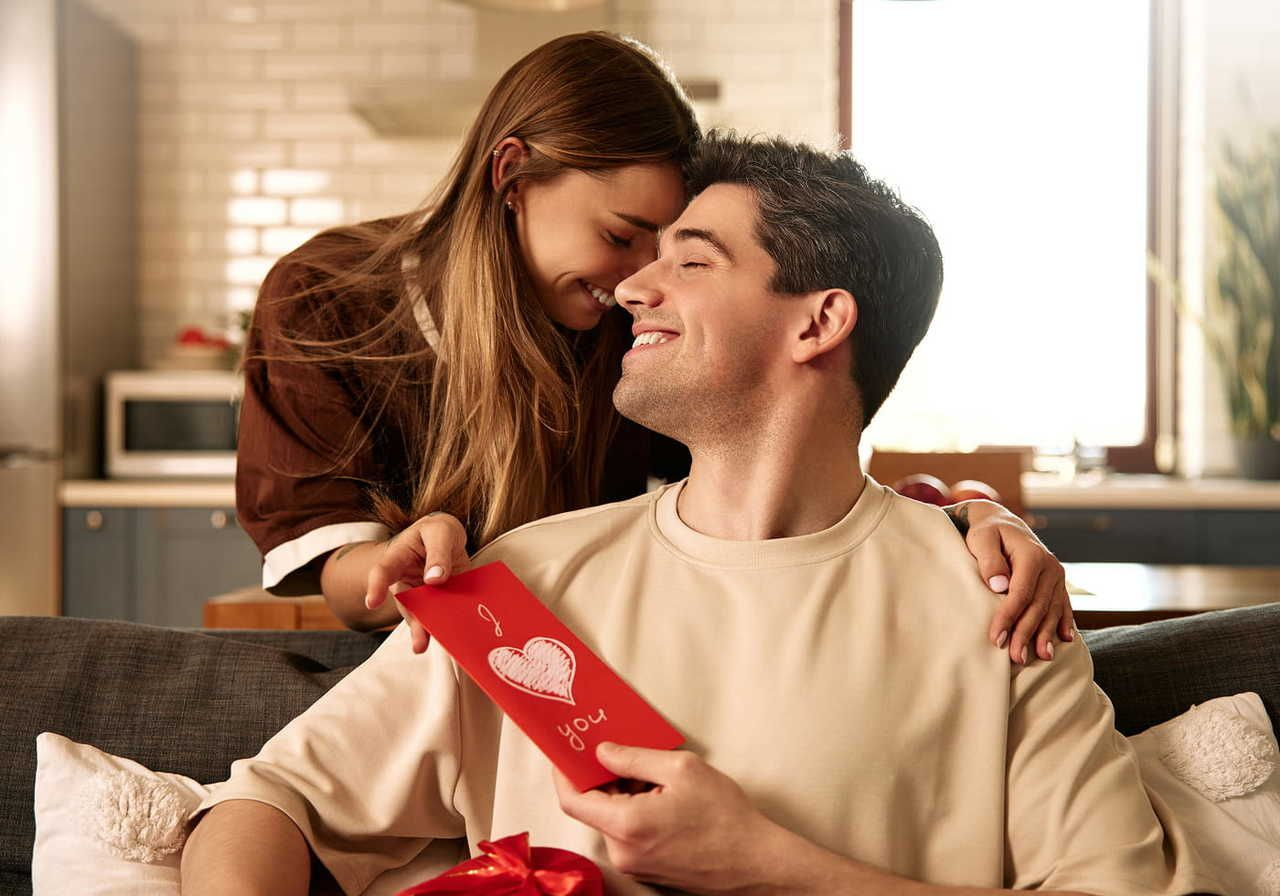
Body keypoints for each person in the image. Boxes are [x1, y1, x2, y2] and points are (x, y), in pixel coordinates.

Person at [183, 133, 1215, 895]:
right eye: (643, 253)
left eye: (689, 259)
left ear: (818, 320)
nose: (633, 286)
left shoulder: (996, 612)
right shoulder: (518, 588)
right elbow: (262, 803)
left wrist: (770, 863)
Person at [238, 31, 1073, 666]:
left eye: (677, 253)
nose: (643, 281)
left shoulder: (625, 330)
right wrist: (393, 565)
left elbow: (775, 474)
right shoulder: (328, 299)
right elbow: (326, 555)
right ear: (512, 176)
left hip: (588, 666)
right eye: (624, 236)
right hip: (405, 662)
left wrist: (970, 521)